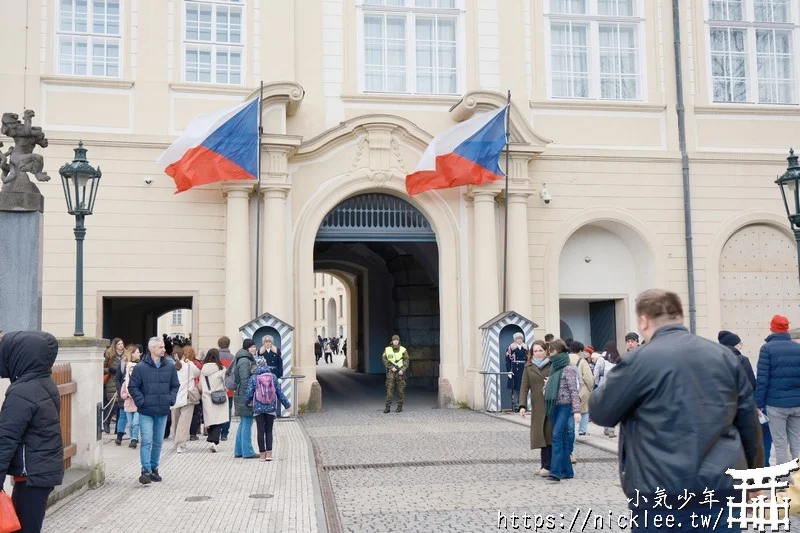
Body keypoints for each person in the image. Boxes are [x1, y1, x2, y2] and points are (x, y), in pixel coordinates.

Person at [590, 289, 763, 532]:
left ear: (643, 321)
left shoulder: (639, 360)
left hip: (659, 491)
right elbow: (749, 423)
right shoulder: (724, 356)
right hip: (720, 487)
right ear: (680, 316)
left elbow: (600, 411)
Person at [0, 331, 64, 533]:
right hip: (39, 472)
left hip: (33, 476)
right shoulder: (43, 382)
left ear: (21, 355)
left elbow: (5, 439)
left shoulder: (23, 391)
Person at [128, 336, 180, 485]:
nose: (163, 349)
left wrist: (170, 399)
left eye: (163, 347)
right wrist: (141, 401)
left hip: (162, 409)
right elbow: (133, 386)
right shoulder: (141, 367)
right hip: (146, 410)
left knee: (158, 442)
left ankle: (154, 468)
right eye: (160, 347)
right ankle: (145, 470)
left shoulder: (169, 366)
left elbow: (175, 385)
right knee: (147, 441)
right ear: (152, 349)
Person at [755, 315, 800, 467]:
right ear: (787, 329)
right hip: (797, 403)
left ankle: (784, 480)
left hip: (776, 404)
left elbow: (762, 379)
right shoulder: (797, 348)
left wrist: (758, 404)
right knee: (797, 442)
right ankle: (798, 479)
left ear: (772, 328)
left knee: (780, 443)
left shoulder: (767, 349)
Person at [244, 359, 291, 461]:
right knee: (269, 431)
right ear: (267, 365)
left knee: (260, 431)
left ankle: (262, 454)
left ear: (257, 366)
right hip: (270, 407)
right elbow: (279, 393)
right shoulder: (273, 377)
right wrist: (287, 405)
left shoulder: (253, 378)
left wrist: (246, 402)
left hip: (258, 408)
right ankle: (269, 454)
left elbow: (249, 393)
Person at [518, 340, 552, 477]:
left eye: (540, 350)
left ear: (546, 351)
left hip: (550, 404)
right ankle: (544, 464)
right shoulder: (529, 367)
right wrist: (522, 405)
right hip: (537, 406)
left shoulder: (551, 365)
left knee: (549, 436)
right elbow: (524, 387)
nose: (538, 353)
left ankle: (548, 466)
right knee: (540, 436)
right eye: (535, 351)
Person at [170, 346, 201, 454]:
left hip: (174, 397)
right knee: (184, 421)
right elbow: (198, 373)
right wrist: (189, 362)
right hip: (187, 396)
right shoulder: (189, 365)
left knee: (176, 421)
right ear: (183, 355)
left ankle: (175, 440)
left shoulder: (170, 366)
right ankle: (181, 443)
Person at [233, 339, 260, 459]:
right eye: (252, 347)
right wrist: (249, 397)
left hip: (241, 393)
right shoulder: (245, 361)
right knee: (247, 423)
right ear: (247, 348)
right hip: (244, 394)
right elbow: (245, 381)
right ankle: (248, 451)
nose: (254, 349)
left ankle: (239, 451)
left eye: (255, 346)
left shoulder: (244, 359)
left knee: (243, 423)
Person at [200, 348, 230, 453]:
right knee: (219, 420)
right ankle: (214, 441)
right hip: (219, 396)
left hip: (207, 396)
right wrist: (225, 390)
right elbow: (226, 384)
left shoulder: (203, 369)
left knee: (210, 419)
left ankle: (211, 438)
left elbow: (200, 385)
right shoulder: (221, 368)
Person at [115, 344, 142, 447]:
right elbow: (117, 379)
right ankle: (120, 435)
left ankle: (134, 438)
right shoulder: (123, 364)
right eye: (137, 352)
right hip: (125, 393)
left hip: (136, 397)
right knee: (124, 417)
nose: (139, 354)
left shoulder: (141, 365)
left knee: (135, 421)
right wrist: (121, 392)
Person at [568, 341, 594, 445]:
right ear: (580, 350)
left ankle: (571, 433)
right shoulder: (582, 361)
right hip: (581, 389)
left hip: (568, 390)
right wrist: (590, 389)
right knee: (584, 410)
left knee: (571, 413)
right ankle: (582, 431)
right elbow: (588, 378)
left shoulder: (565, 359)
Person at [593, 340, 620, 438]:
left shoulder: (601, 359)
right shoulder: (618, 358)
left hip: (602, 385)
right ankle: (611, 430)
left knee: (605, 407)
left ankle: (606, 428)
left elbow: (596, 372)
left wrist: (596, 383)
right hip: (614, 386)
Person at [383, 335, 409, 413]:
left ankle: (399, 406)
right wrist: (391, 367)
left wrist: (402, 370)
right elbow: (384, 359)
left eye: (397, 340)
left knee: (400, 390)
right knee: (389, 391)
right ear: (392, 341)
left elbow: (406, 360)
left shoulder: (403, 350)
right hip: (391, 373)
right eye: (394, 340)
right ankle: (387, 407)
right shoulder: (387, 350)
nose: (395, 341)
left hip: (400, 373)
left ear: (399, 341)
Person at [103, 337, 123, 433]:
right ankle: (106, 423)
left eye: (122, 344)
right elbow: (102, 367)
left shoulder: (125, 355)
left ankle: (117, 429)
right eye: (119, 344)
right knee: (113, 404)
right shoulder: (109, 354)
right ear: (115, 345)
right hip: (112, 381)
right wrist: (110, 370)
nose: (121, 346)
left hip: (121, 381)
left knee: (120, 406)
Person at [217, 336, 235, 442]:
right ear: (228, 344)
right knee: (228, 411)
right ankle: (224, 433)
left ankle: (217, 431)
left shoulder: (215, 356)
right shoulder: (233, 357)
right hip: (229, 389)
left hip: (217, 388)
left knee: (217, 410)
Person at [505, 332, 528, 412]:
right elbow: (507, 360)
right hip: (514, 368)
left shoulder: (525, 347)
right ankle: (516, 405)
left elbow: (528, 359)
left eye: (521, 338)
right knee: (515, 387)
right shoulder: (511, 347)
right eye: (518, 338)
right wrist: (509, 371)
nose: (519, 340)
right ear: (515, 339)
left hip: (524, 368)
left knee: (524, 387)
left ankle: (523, 405)